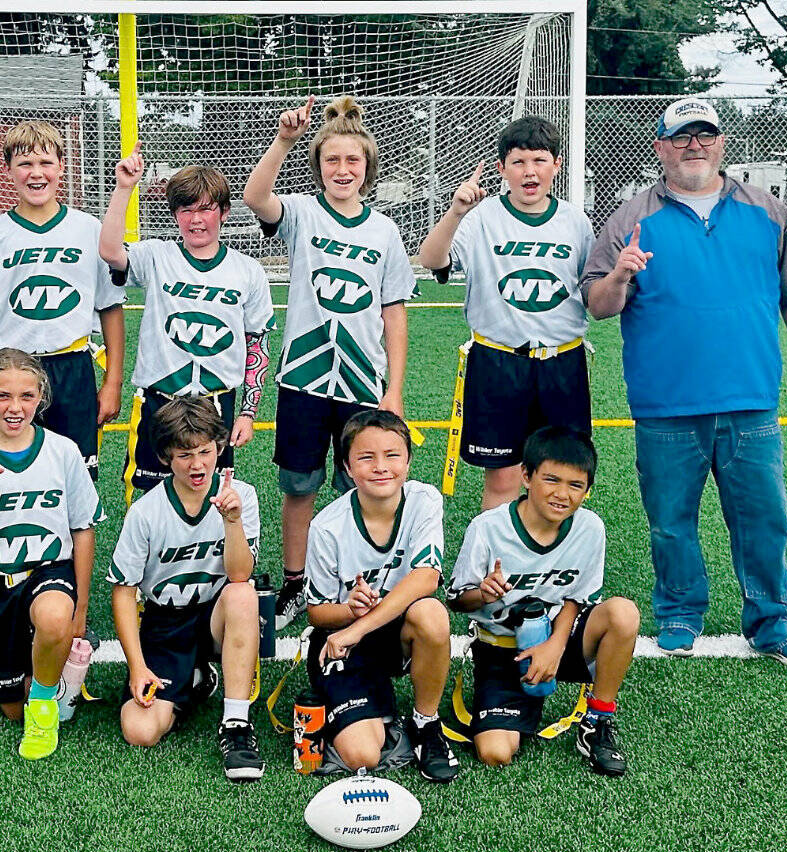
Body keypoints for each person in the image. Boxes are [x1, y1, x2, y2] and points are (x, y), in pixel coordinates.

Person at [582, 97, 787, 670]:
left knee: (764, 519)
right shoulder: (628, 218)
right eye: (682, 136)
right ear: (660, 146)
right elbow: (598, 305)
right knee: (671, 523)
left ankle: (773, 621)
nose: (695, 145)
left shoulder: (766, 210)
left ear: (721, 142)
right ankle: (679, 611)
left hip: (750, 400)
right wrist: (620, 273)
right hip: (666, 405)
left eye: (705, 135)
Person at [242, 96, 413, 633]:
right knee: (299, 485)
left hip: (363, 380)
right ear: (318, 167)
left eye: (353, 162)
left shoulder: (384, 231)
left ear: (368, 169)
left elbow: (394, 314)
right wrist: (284, 141)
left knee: (360, 486)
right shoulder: (303, 213)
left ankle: (350, 584)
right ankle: (296, 582)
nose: (343, 170)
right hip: (305, 376)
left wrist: (395, 389)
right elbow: (255, 196)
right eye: (331, 161)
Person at [418, 116, 595, 511]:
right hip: (498, 360)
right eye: (518, 162)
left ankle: (548, 565)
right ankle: (496, 567)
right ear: (501, 169)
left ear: (557, 164)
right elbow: (431, 259)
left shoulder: (575, 221)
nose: (529, 171)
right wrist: (456, 212)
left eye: (539, 160)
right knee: (503, 477)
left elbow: (592, 289)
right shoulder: (480, 217)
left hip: (561, 361)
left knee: (562, 475)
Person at [0, 348, 102, 760]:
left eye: (27, 396)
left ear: (41, 397)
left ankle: (45, 703)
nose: (15, 408)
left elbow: (83, 528)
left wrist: (79, 606)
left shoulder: (62, 451)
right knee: (12, 707)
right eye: (3, 396)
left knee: (54, 617)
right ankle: (46, 675)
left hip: (48, 571)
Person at [448, 426, 638, 776]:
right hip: (503, 647)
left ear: (588, 490)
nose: (562, 494)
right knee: (495, 752)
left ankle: (597, 719)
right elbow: (457, 601)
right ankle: (516, 701)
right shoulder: (488, 527)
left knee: (623, 614)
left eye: (575, 485)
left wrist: (554, 645)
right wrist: (482, 592)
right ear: (526, 476)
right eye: (551, 480)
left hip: (558, 637)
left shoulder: (589, 528)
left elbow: (577, 598)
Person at [0, 120, 126, 480]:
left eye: (45, 163)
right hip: (9, 373)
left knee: (76, 481)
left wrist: (113, 382)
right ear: (8, 170)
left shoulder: (88, 230)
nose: (36, 173)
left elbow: (110, 307)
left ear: (62, 167)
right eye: (25, 164)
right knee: (8, 481)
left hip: (72, 369)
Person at [100, 154, 275, 503]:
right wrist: (123, 188)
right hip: (159, 401)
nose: (196, 220)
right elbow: (109, 251)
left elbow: (257, 344)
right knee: (148, 501)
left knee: (211, 502)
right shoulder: (157, 255)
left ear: (224, 213)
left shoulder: (248, 271)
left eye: (206, 209)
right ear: (175, 214)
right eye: (186, 210)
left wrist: (248, 413)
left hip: (216, 405)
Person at [108, 397, 265, 781]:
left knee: (243, 594)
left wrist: (232, 522)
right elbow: (123, 591)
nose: (197, 465)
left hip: (218, 615)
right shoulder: (146, 511)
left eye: (205, 452)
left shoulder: (241, 495)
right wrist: (138, 666)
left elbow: (241, 574)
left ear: (220, 448)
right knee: (140, 731)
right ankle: (196, 680)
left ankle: (236, 725)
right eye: (184, 455)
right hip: (165, 622)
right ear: (165, 457)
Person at [304, 411, 458, 782]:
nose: (381, 467)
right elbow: (316, 615)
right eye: (366, 457)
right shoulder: (327, 525)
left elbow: (426, 578)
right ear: (346, 466)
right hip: (343, 644)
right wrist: (348, 611)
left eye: (392, 455)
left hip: (383, 634)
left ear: (408, 461)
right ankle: (361, 708)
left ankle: (425, 724)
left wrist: (360, 626)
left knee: (431, 613)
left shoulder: (424, 501)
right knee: (362, 755)